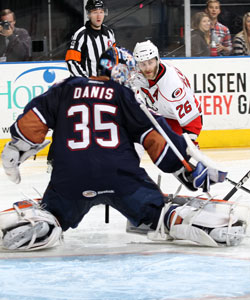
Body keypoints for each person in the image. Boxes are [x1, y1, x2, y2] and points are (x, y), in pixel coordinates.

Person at [0, 46, 244, 252]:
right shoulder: (124, 95)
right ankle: (203, 225)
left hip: (71, 177)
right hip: (120, 177)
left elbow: (30, 124)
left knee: (54, 212)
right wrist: (186, 170)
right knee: (158, 213)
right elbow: (156, 139)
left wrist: (15, 150)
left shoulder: (66, 88)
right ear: (120, 71)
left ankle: (42, 222)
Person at [132, 40, 202, 146]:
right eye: (143, 64)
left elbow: (193, 122)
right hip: (160, 112)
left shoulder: (172, 86)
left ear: (157, 60)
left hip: (179, 118)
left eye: (150, 62)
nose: (147, 68)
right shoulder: (136, 73)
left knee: (180, 151)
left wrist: (188, 146)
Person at [65, 0, 116, 77]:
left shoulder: (109, 33)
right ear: (88, 14)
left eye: (101, 12)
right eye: (95, 12)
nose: (99, 16)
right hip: (88, 85)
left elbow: (114, 58)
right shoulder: (81, 34)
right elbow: (71, 61)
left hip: (106, 84)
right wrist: (85, 81)